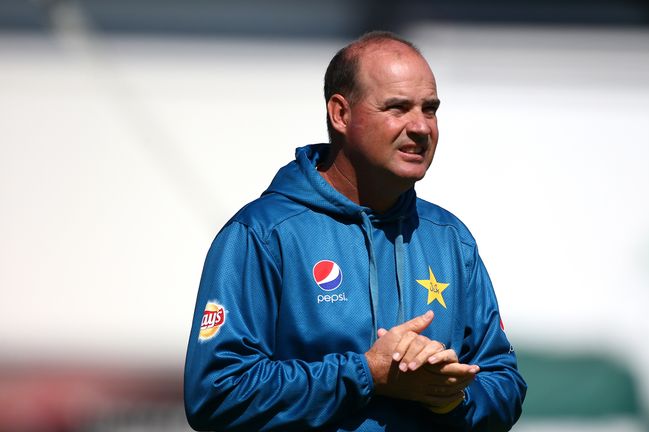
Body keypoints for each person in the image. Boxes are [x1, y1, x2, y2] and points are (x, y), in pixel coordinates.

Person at [184, 31, 526, 431]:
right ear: (340, 114)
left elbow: (504, 383)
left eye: (430, 109)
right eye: (397, 108)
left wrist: (450, 395)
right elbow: (217, 392)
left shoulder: (451, 239)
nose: (421, 127)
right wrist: (365, 374)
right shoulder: (263, 234)